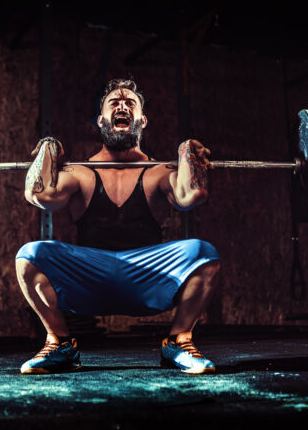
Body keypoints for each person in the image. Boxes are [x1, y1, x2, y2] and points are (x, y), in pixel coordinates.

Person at [15, 78, 221, 374]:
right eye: (114, 102)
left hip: (147, 276)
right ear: (101, 120)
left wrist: (185, 151)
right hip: (89, 278)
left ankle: (178, 341)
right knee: (29, 255)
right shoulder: (81, 172)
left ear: (142, 120)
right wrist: (50, 147)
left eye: (130, 103)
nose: (122, 105)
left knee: (204, 254)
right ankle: (59, 343)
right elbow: (39, 195)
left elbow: (193, 195)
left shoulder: (159, 171)